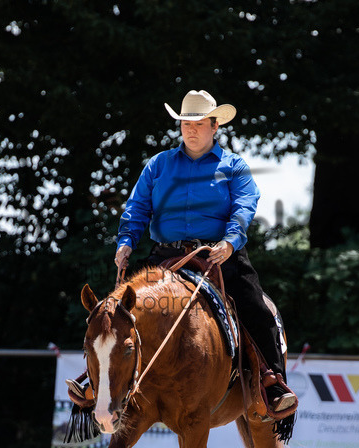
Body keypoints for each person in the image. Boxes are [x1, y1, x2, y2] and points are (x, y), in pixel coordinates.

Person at [113, 89, 297, 417]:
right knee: (117, 310)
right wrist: (126, 241)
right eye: (185, 122)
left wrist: (230, 241)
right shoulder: (158, 165)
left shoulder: (233, 166)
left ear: (215, 126)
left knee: (256, 308)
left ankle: (273, 383)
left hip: (218, 255)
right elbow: (138, 207)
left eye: (198, 123)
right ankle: (100, 383)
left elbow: (244, 205)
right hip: (163, 256)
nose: (191, 129)